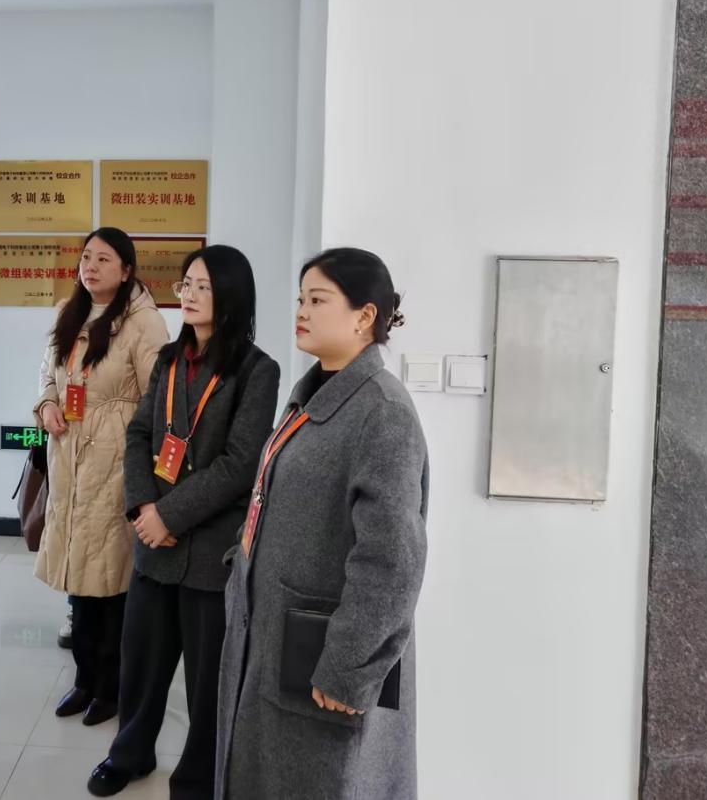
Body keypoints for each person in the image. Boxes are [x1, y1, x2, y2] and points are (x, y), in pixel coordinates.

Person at [215, 248, 429, 800]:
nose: (301, 311)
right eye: (300, 299)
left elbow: (391, 560)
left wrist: (347, 668)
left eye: (318, 300)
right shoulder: (313, 395)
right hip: (275, 635)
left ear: (365, 316)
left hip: (321, 663)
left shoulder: (381, 412)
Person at [87, 245, 279, 798]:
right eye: (186, 284)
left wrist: (169, 514)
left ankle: (196, 777)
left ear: (231, 297)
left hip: (211, 549)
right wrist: (143, 509)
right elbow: (139, 435)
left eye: (203, 287)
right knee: (141, 665)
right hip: (154, 541)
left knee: (205, 681)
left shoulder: (257, 370)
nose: (188, 295)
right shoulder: (170, 359)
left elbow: (240, 464)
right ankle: (129, 754)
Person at [33, 227, 169, 726]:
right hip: (69, 455)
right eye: (86, 257)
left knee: (112, 579)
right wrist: (46, 404)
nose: (90, 267)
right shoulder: (67, 313)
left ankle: (111, 688)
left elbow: (159, 397)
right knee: (79, 575)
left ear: (126, 270)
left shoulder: (144, 322)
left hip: (116, 457)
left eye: (104, 259)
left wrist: (144, 465)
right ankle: (84, 679)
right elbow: (47, 373)